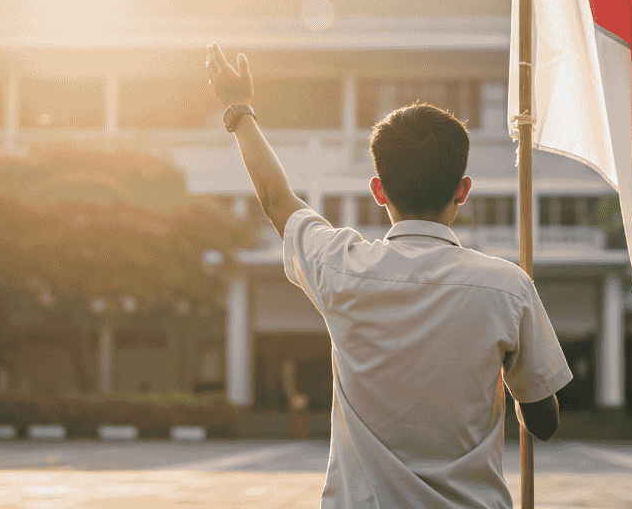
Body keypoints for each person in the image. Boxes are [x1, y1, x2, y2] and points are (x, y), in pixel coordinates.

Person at [206, 44, 572, 508]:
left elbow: (279, 202)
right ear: (463, 191)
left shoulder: (341, 266)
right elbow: (544, 421)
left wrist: (240, 113)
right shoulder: (508, 287)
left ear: (378, 190)